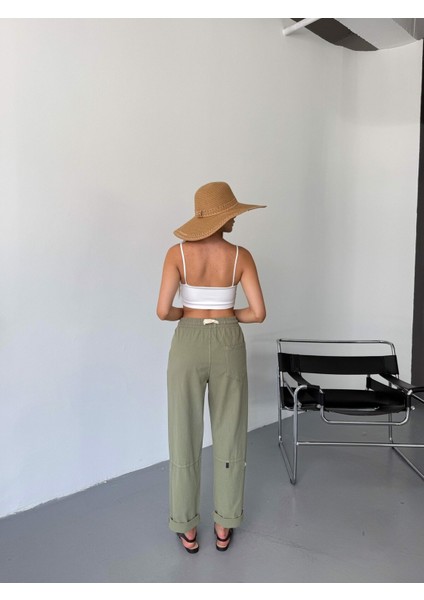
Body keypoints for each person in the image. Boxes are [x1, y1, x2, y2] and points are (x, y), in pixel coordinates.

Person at [156, 181, 266, 553]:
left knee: (183, 432)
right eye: (232, 214)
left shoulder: (176, 254)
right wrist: (226, 314)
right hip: (228, 341)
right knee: (230, 431)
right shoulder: (241, 256)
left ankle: (186, 526)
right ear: (221, 218)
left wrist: (187, 313)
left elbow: (162, 311)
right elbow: (258, 313)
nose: (235, 219)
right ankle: (224, 523)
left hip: (186, 343)